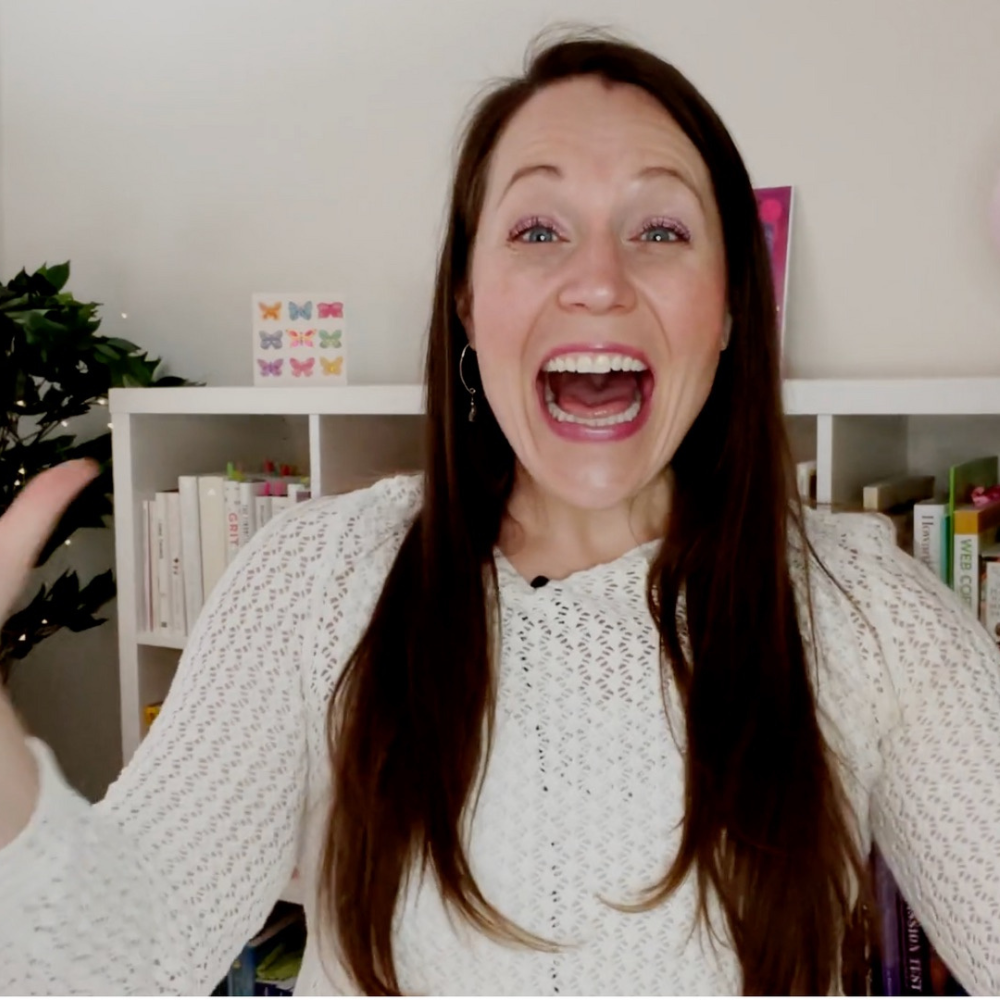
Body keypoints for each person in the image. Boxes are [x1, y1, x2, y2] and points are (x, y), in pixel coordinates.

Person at [2, 29, 999, 996]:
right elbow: (118, 964)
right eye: (537, 231)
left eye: (659, 231)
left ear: (733, 304)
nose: (599, 282)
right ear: (468, 305)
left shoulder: (871, 613)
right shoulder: (311, 581)